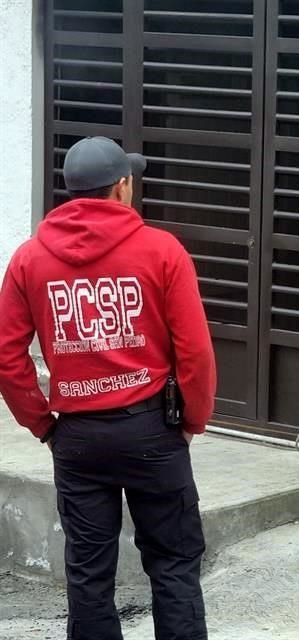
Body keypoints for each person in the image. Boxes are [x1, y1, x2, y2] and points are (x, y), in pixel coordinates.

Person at [0, 137, 217, 639]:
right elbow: (196, 353)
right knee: (174, 564)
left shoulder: (30, 260)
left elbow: (8, 356)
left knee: (89, 575)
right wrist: (193, 421)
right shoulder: (162, 250)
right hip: (152, 433)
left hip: (77, 437)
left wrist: (43, 425)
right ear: (122, 185)